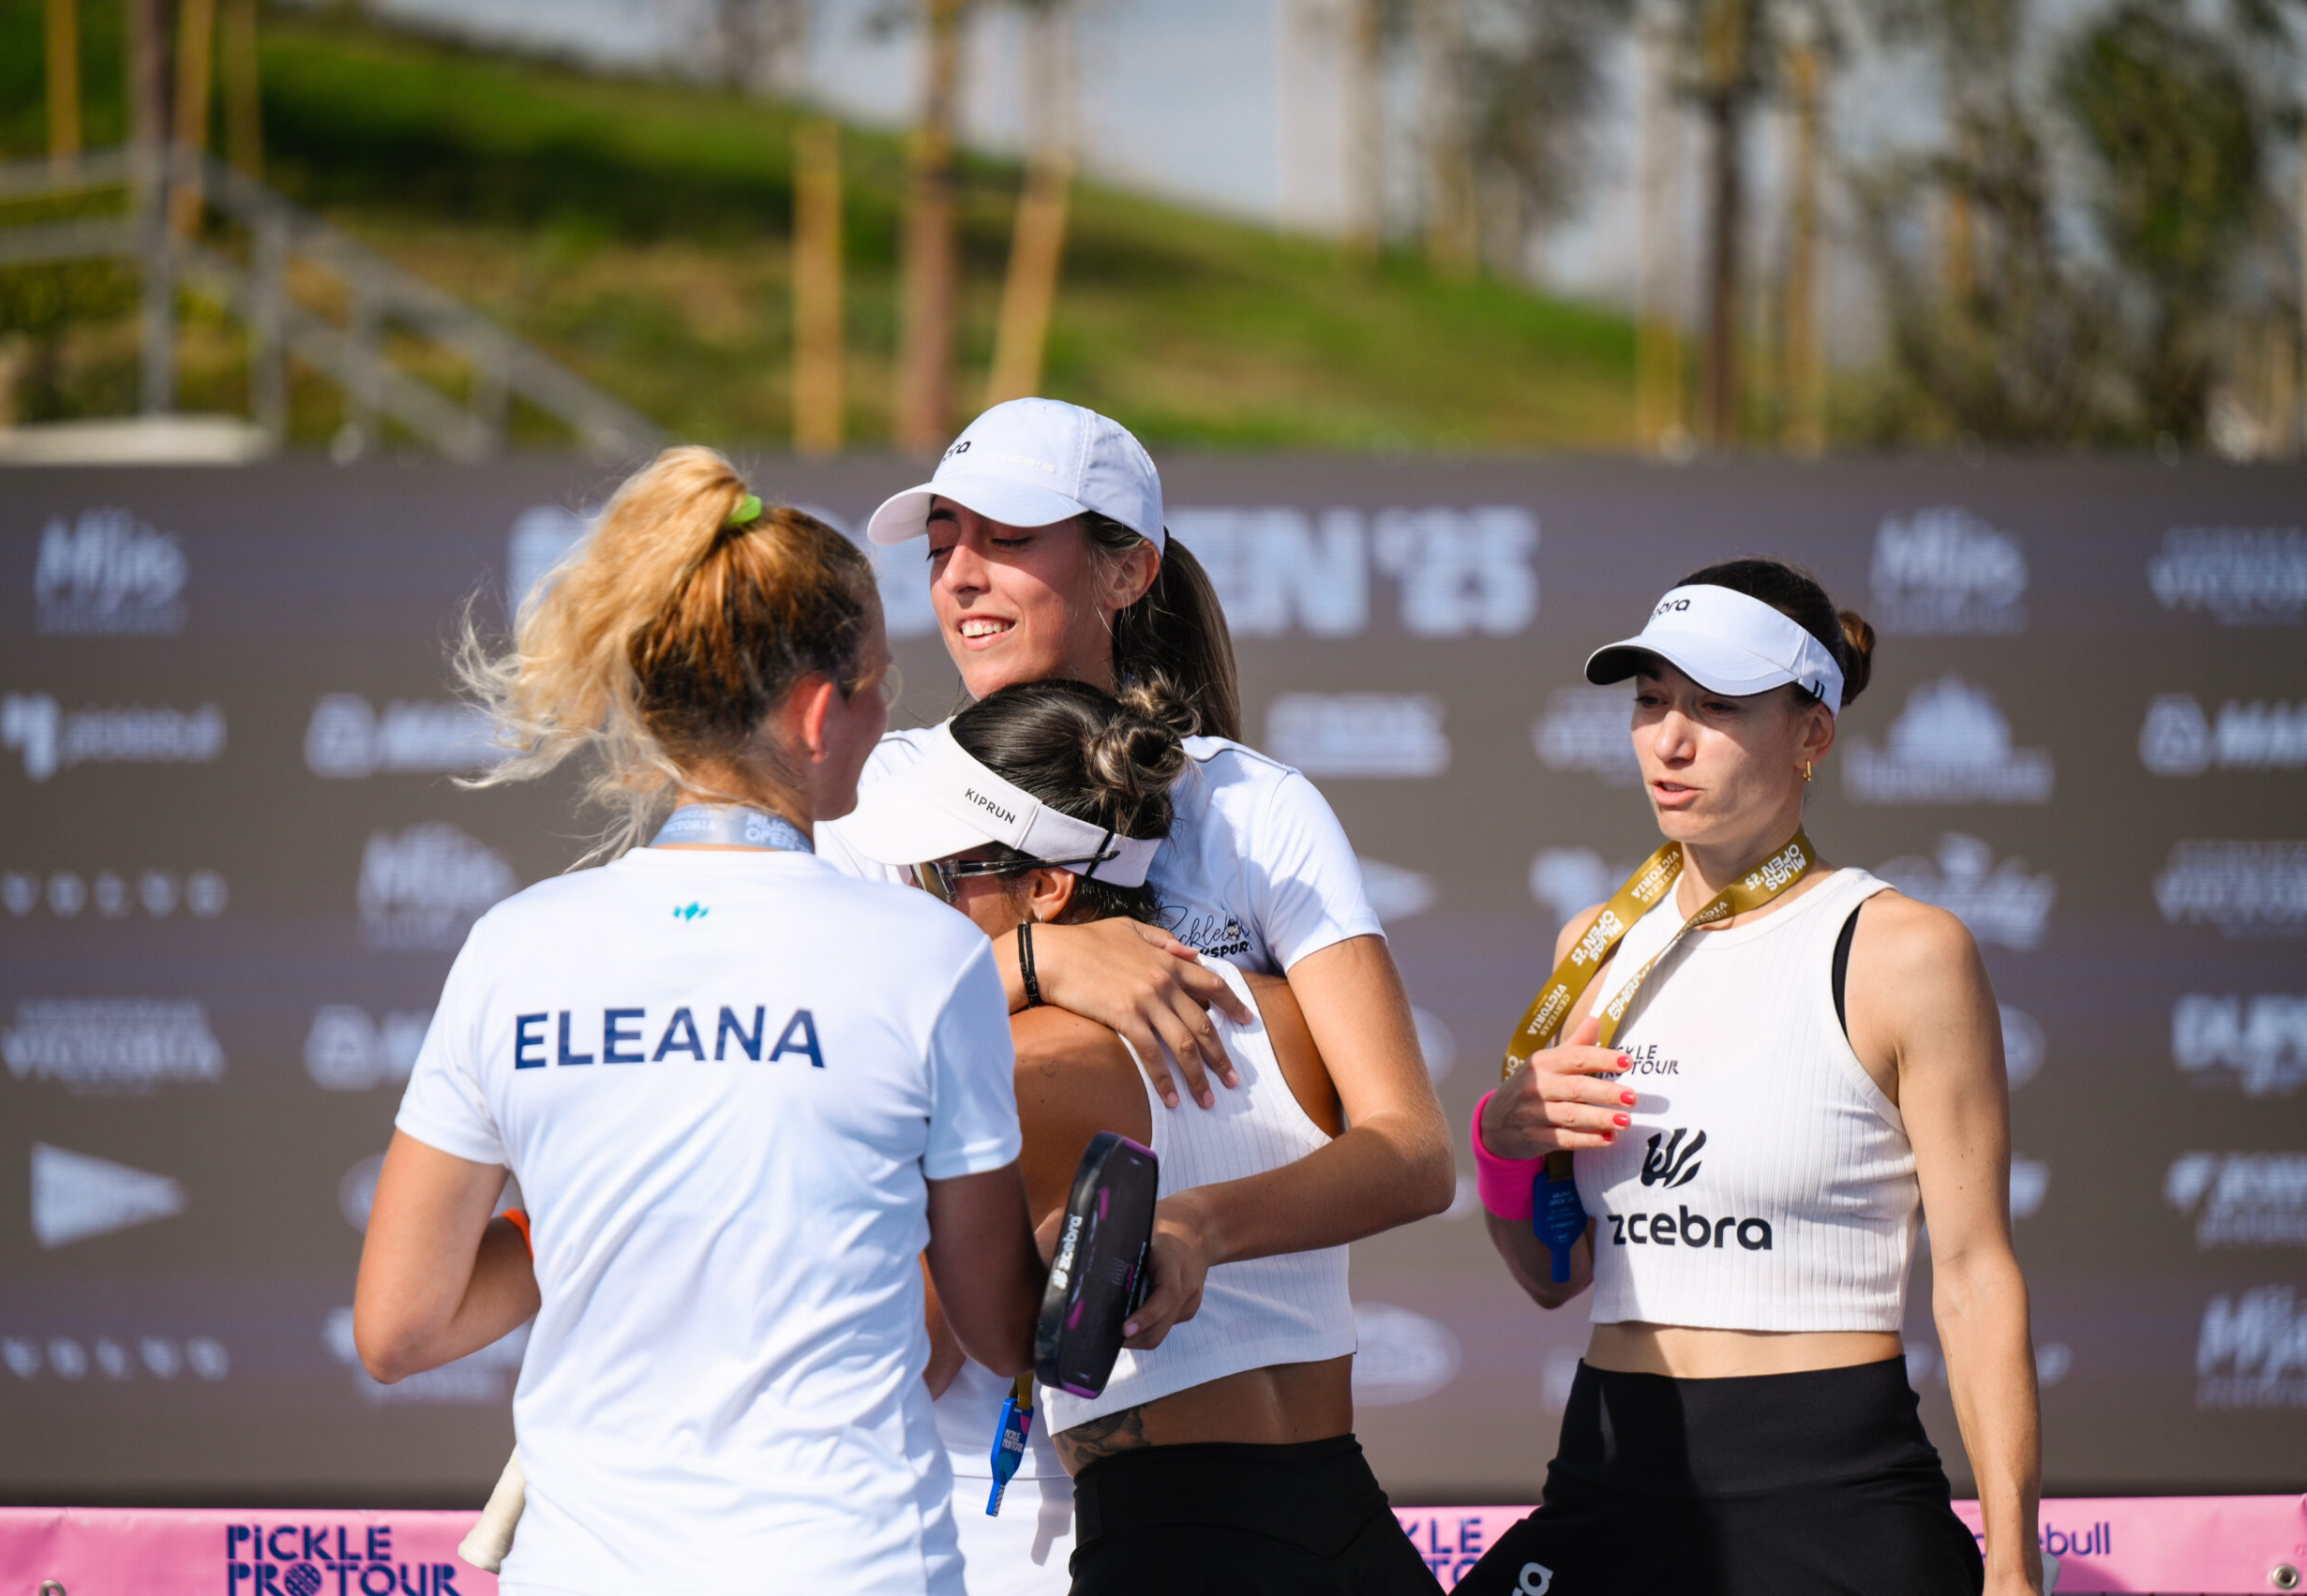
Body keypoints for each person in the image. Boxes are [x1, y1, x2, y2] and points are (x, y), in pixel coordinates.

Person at [350, 448, 1046, 1596]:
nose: (889, 715)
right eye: (878, 684)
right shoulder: (926, 956)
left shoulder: (514, 947)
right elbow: (1002, 1329)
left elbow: (400, 1325)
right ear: (818, 713)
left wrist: (591, 1212)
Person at [818, 397, 1456, 1590]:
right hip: (992, 1507)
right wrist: (1026, 965)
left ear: (1128, 568)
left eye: (1009, 538)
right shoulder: (869, 799)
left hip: (1142, 1510)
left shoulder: (1254, 805)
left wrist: (1187, 1227)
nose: (961, 574)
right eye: (943, 541)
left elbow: (1411, 1151)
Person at [1453, 559, 2045, 1596]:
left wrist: (2013, 1566)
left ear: (1812, 732)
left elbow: (1974, 1275)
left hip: (1828, 1485)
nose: (1668, 740)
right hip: (1612, 1470)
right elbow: (1555, 1275)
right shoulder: (1592, 946)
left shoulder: (1905, 951)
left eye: (1716, 706)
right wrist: (1502, 1148)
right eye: (1650, 702)